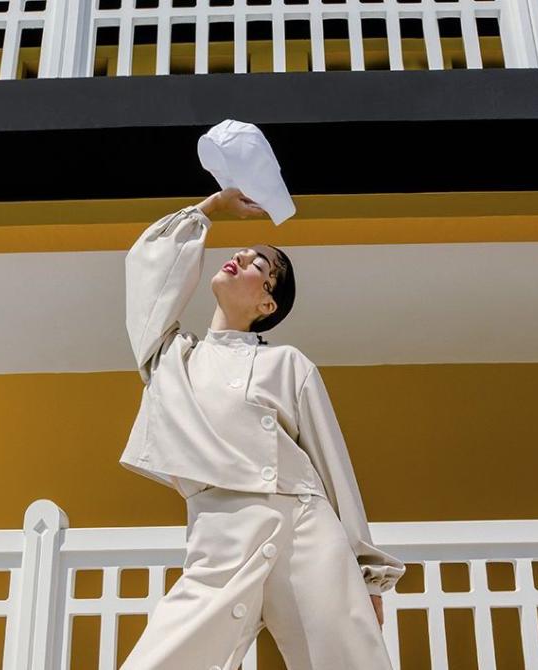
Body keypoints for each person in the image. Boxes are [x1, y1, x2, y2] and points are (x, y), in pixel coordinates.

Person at [119, 187, 406, 669]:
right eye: (245, 251)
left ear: (268, 305)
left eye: (260, 264)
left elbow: (334, 467)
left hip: (306, 528)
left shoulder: (288, 364)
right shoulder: (172, 359)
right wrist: (209, 209)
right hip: (220, 533)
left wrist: (366, 576)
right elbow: (147, 269)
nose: (242, 255)